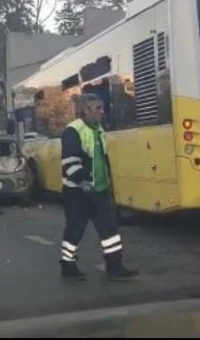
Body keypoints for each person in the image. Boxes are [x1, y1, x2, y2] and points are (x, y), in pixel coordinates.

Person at [59, 93, 138, 281]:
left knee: (110, 230)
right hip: (77, 192)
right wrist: (83, 182)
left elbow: (102, 159)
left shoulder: (98, 129)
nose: (102, 112)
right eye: (98, 108)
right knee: (74, 230)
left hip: (100, 190)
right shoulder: (73, 131)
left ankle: (114, 265)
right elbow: (69, 163)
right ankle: (67, 265)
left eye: (102, 108)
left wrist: (108, 184)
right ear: (85, 110)